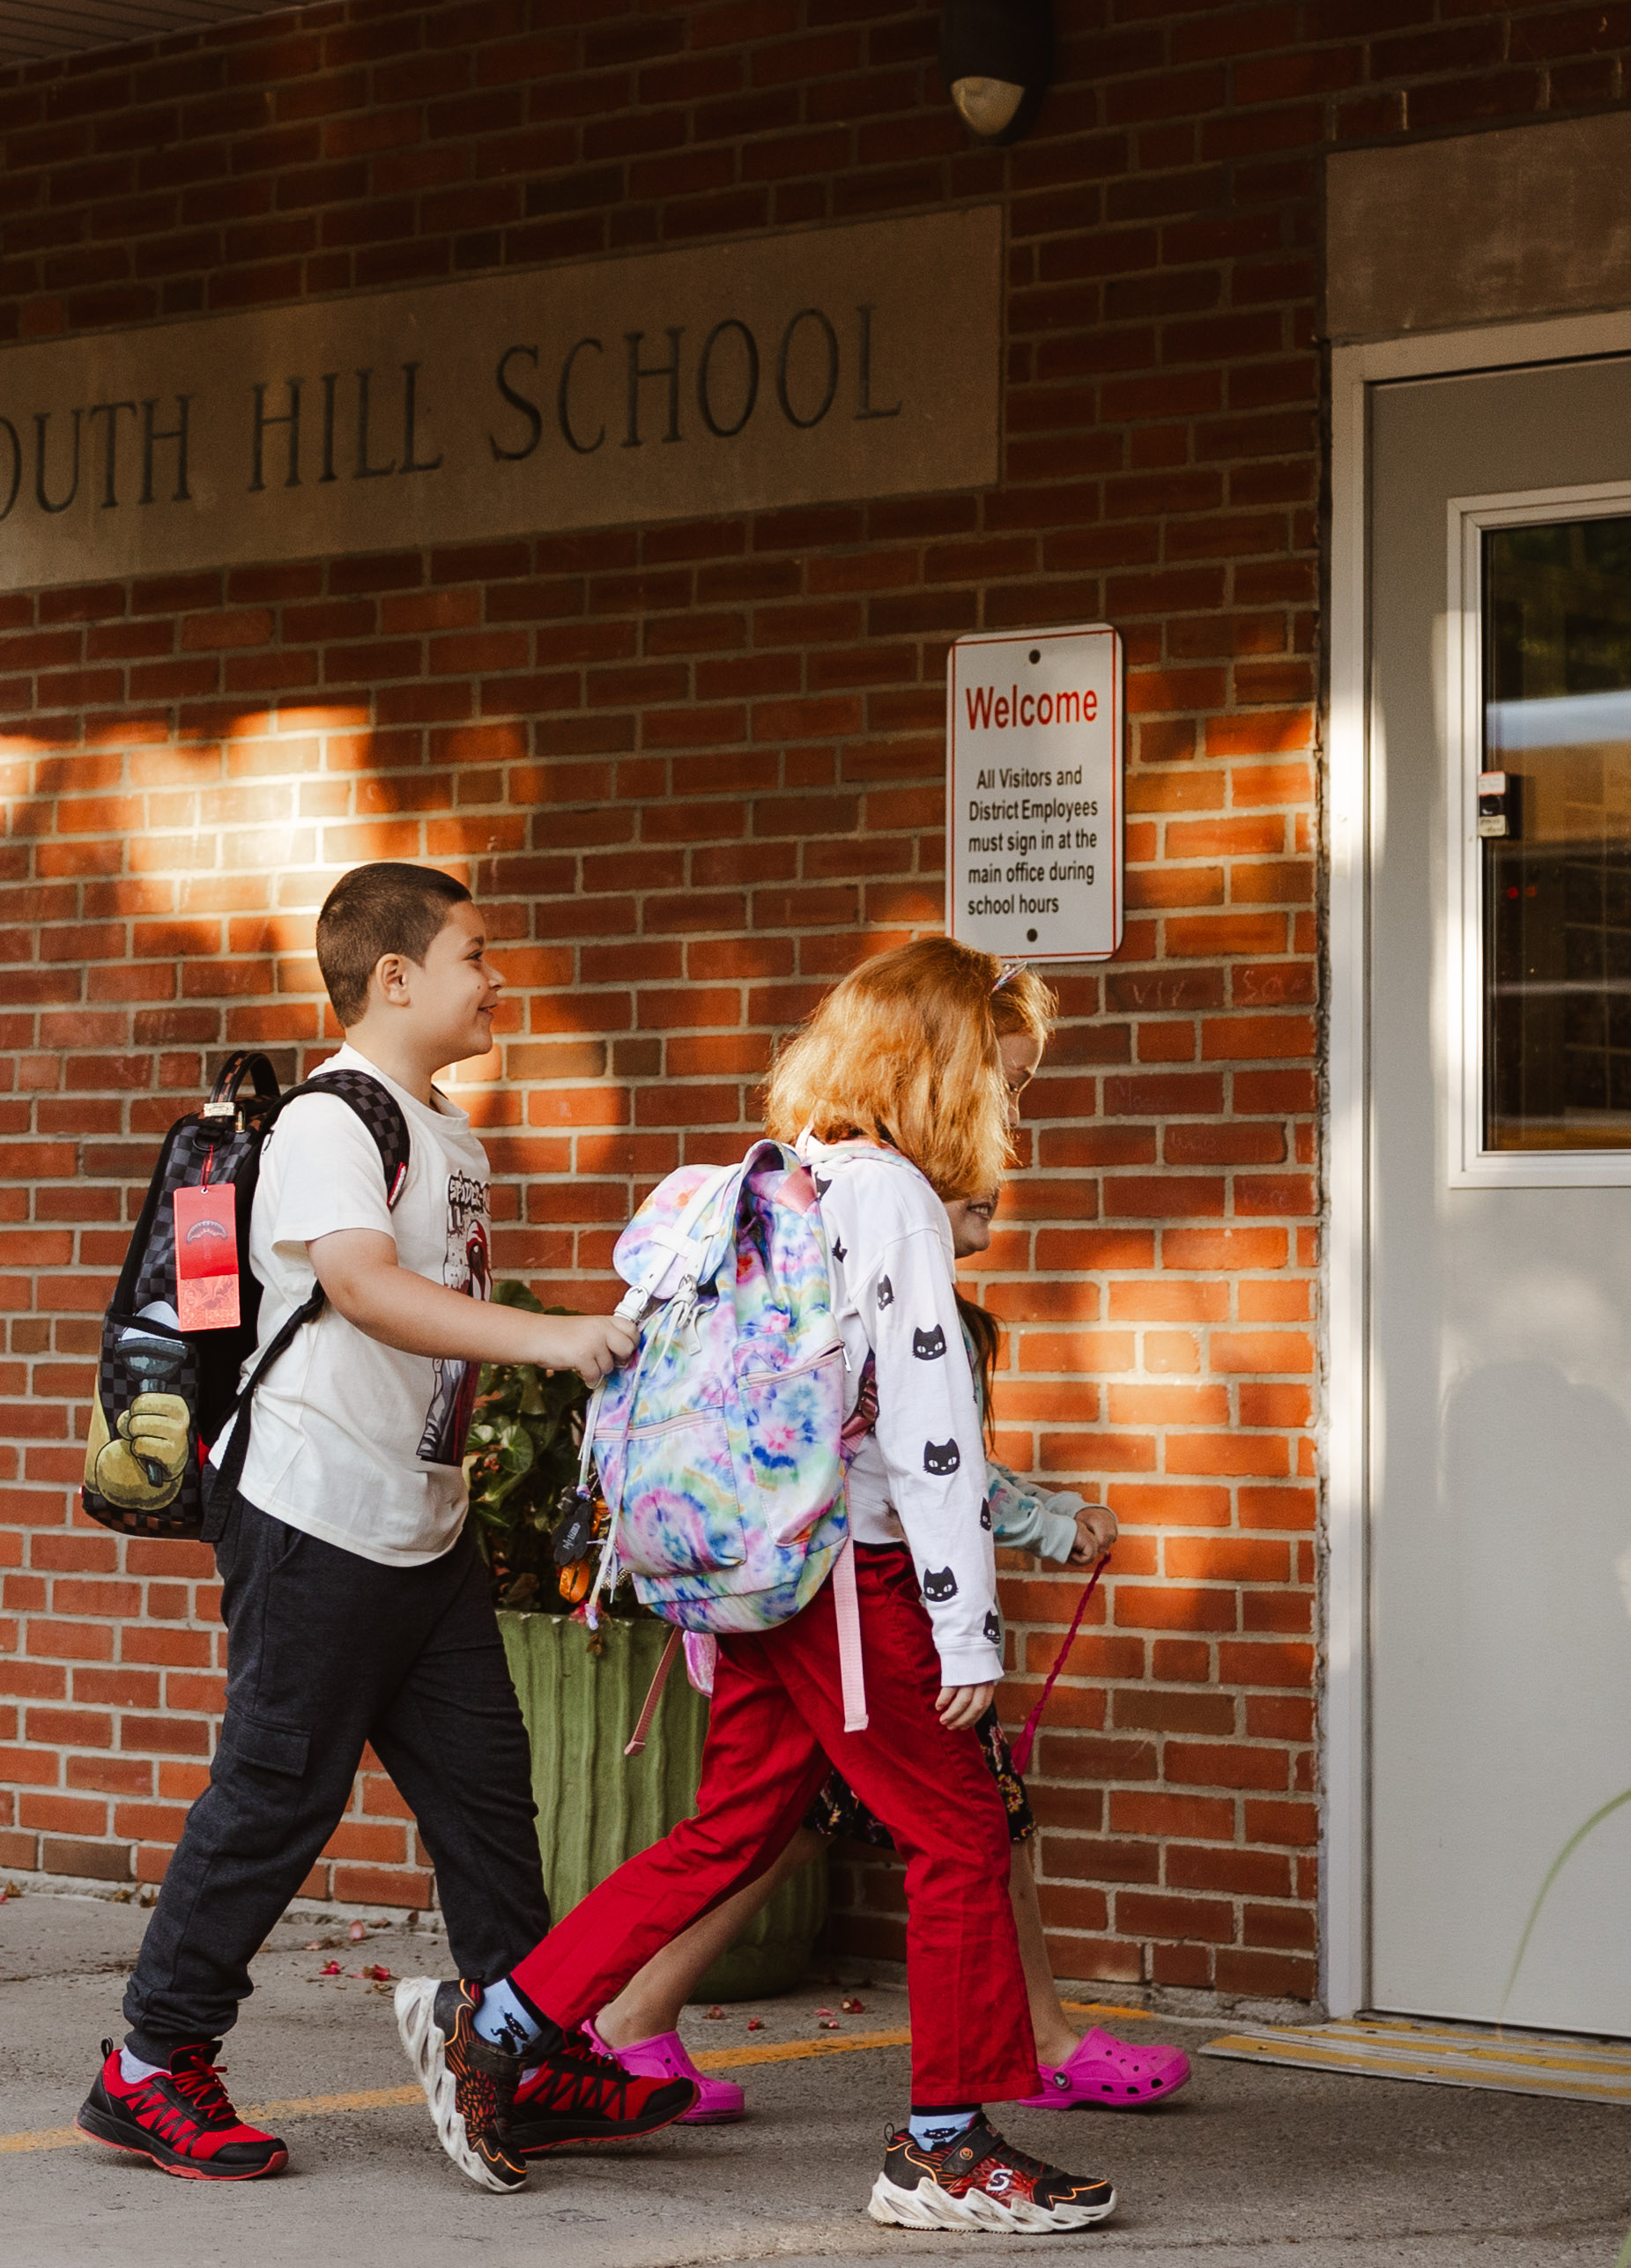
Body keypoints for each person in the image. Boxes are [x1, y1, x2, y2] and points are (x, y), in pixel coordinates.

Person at [395, 937, 1120, 2234]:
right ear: (940, 1073)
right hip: (853, 1578)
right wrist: (967, 1628)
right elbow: (930, 1434)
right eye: (1003, 1082)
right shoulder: (892, 1196)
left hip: (763, 1572)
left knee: (730, 1828)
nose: (1011, 1115)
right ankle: (945, 2148)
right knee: (957, 1836)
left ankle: (495, 2027)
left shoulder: (779, 1178)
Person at [83, 861, 690, 2182]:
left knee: (487, 1800)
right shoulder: (326, 1124)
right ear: (396, 976)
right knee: (276, 1796)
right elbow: (359, 1289)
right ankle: (150, 2062)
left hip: (419, 1524)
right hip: (310, 1511)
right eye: (478, 954)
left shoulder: (444, 1130)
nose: (500, 979)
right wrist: (558, 1340)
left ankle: (517, 2053)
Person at [585, 1181, 1192, 2124]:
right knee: (958, 1824)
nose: (990, 1177)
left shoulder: (867, 1299)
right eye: (959, 1164)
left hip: (809, 1606)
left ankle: (606, 2018)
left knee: (793, 1832)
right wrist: (1042, 1533)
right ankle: (1013, 2065)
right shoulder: (894, 1296)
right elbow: (918, 1465)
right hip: (861, 1621)